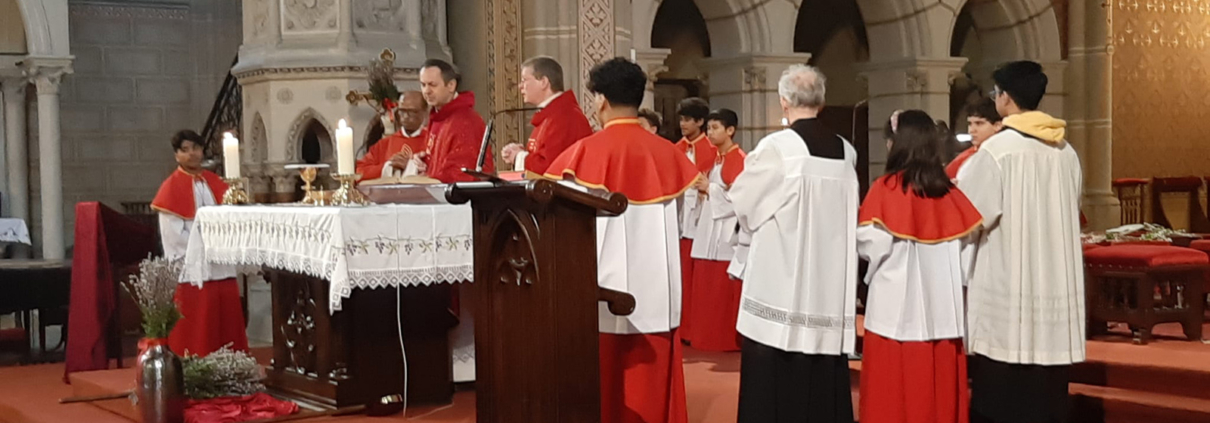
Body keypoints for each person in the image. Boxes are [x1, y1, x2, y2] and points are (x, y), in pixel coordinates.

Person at [544, 57, 698, 423]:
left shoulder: (583, 153)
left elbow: (558, 221)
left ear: (600, 100)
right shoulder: (668, 154)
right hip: (657, 295)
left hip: (602, 290)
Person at [727, 65, 858, 423]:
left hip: (781, 283)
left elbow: (743, 202)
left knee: (773, 384)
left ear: (783, 102)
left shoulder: (777, 147)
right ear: (823, 102)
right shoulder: (846, 152)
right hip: (827, 286)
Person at [956, 61, 1084, 423]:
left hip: (1008, 282)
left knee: (1001, 401)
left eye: (996, 93)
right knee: (1046, 400)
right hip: (1053, 283)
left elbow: (971, 217)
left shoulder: (997, 152)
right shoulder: (1066, 152)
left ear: (1006, 99)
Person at [857, 110, 982, 423]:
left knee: (894, 394)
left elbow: (871, 244)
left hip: (894, 309)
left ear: (897, 144)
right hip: (943, 313)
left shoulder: (885, 189)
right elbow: (967, 253)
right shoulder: (951, 192)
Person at [150, 129, 248, 357]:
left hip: (220, 264)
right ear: (176, 155)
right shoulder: (170, 188)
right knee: (198, 323)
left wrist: (224, 246)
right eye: (185, 150)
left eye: (196, 148)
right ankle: (195, 365)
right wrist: (203, 250)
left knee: (225, 320)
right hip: (193, 267)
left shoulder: (216, 182)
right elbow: (173, 235)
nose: (192, 154)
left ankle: (232, 365)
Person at [685, 108, 745, 352]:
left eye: (715, 128)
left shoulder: (740, 159)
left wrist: (711, 188)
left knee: (721, 290)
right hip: (708, 227)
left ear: (730, 130)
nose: (710, 133)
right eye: (708, 128)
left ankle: (724, 339)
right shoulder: (716, 160)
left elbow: (741, 198)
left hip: (726, 233)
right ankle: (703, 337)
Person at [500, 56, 593, 178]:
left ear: (543, 82)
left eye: (524, 80)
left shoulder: (564, 117)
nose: (520, 86)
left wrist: (519, 157)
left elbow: (550, 168)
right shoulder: (553, 114)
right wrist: (522, 153)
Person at [673, 97, 714, 345]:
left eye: (688, 119)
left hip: (700, 216)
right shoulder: (676, 147)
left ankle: (693, 328)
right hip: (680, 217)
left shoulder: (710, 148)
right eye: (681, 119)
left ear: (700, 121)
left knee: (696, 277)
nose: (683, 124)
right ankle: (682, 327)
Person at [415, 58, 492, 183]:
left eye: (432, 85)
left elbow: (462, 171)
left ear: (451, 85)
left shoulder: (466, 121)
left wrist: (429, 179)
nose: (426, 91)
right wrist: (423, 162)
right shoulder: (437, 116)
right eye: (423, 85)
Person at [356, 91, 429, 181]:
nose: (406, 116)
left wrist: (411, 166)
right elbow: (359, 171)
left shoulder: (432, 141)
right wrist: (388, 166)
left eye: (412, 111)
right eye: (402, 111)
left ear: (425, 112)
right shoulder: (384, 144)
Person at [946, 97, 1002, 179]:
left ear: (997, 125)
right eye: (970, 124)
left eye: (979, 123)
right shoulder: (962, 160)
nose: (971, 130)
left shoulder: (1009, 155)